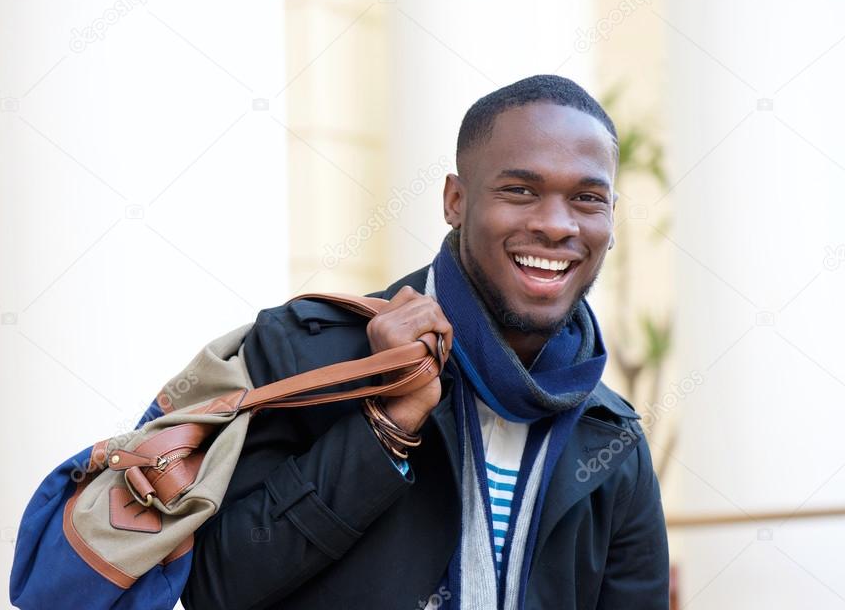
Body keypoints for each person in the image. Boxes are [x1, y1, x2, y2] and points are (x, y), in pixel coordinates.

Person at [181, 75, 669, 610]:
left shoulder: (612, 436)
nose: (556, 225)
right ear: (456, 201)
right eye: (520, 191)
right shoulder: (305, 351)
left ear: (611, 217)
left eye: (586, 198)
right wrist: (383, 429)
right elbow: (216, 588)